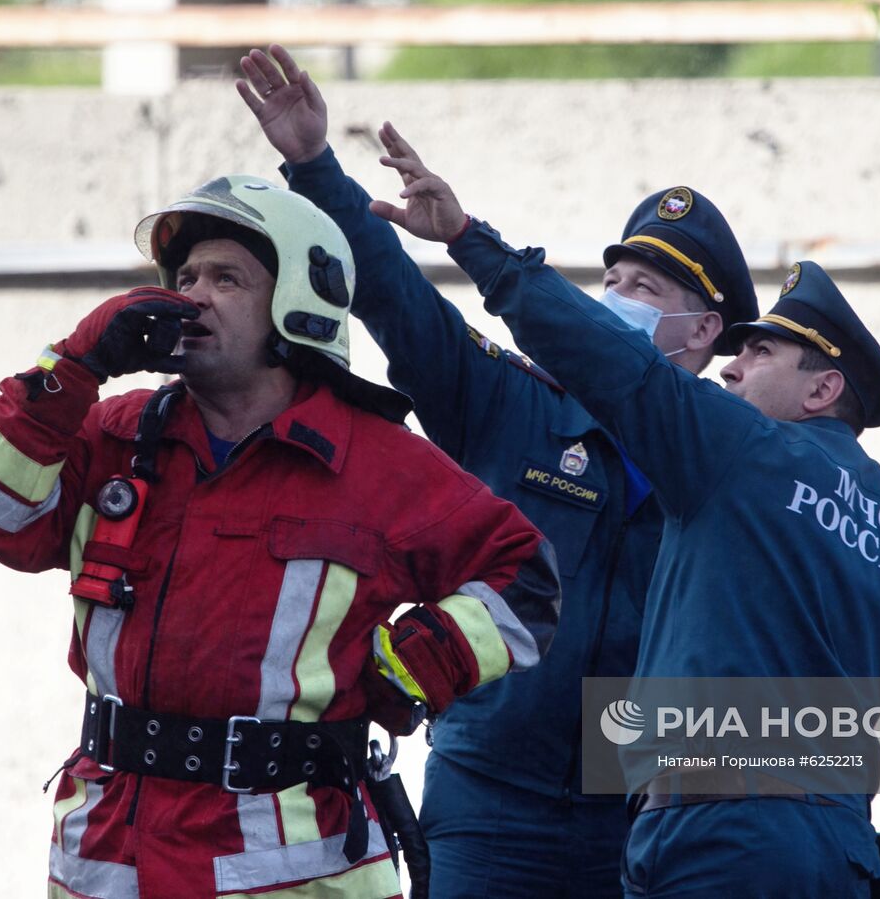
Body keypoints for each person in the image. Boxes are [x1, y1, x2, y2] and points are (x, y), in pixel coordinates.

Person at [354, 126, 880, 897]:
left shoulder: (740, 454)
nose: (733, 368)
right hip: (798, 844)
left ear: (821, 390)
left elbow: (604, 358)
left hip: (700, 834)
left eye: (758, 355)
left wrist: (467, 238)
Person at [0, 175, 560, 899]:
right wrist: (74, 365)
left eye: (227, 278)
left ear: (299, 302)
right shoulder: (113, 432)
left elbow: (527, 579)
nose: (192, 294)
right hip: (106, 861)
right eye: (187, 275)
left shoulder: (380, 461)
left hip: (295, 870)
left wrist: (411, 668)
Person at [236, 45, 759, 897]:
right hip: (488, 800)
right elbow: (396, 299)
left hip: (647, 813)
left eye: (647, 288)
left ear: (703, 331)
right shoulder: (515, 403)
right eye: (612, 278)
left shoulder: (732, 460)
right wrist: (314, 165)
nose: (614, 298)